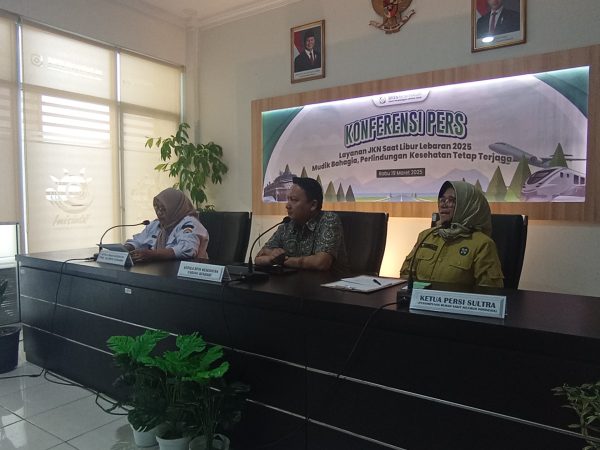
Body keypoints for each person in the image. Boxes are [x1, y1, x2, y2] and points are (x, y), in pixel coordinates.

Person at [400, 181, 504, 287]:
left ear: (468, 206)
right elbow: (406, 274)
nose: (443, 205)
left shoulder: (482, 244)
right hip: (420, 297)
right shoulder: (426, 236)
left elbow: (489, 290)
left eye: (451, 200)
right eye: (442, 200)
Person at [255, 177, 347, 271]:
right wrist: (272, 257)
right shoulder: (287, 224)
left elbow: (321, 263)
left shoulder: (329, 220)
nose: (287, 206)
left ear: (313, 205)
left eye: (293, 200)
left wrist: (283, 260)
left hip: (331, 280)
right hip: (296, 279)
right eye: (288, 199)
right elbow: (258, 258)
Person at [124, 188, 209, 263]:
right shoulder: (155, 224)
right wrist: (124, 249)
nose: (158, 213)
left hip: (183, 271)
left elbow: (187, 249)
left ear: (174, 208)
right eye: (156, 207)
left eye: (163, 209)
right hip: (158, 270)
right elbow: (138, 241)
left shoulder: (189, 223)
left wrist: (152, 254)